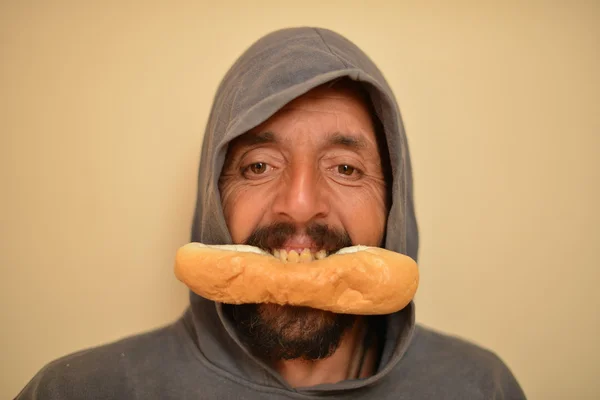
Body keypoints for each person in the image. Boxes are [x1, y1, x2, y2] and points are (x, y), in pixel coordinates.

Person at [16, 27, 526, 399]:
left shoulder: (481, 386)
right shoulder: (77, 390)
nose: (300, 203)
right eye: (259, 165)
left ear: (395, 205)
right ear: (213, 195)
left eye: (346, 168)